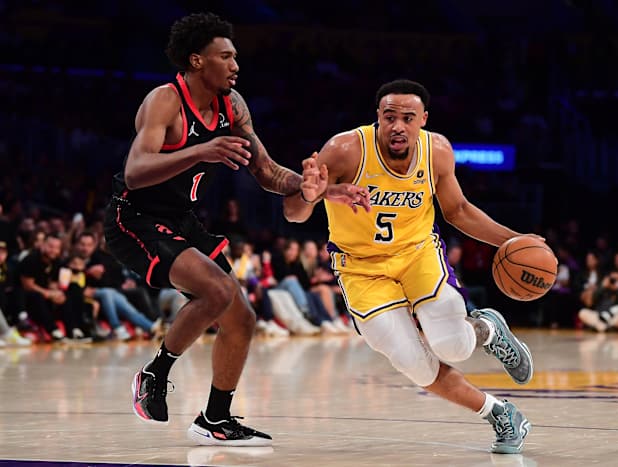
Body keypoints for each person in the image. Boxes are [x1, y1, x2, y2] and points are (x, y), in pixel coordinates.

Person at [103, 12, 368, 447]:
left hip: (182, 220)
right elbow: (135, 171)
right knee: (219, 291)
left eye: (235, 56)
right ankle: (155, 373)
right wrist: (201, 150)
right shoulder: (164, 101)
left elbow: (265, 172)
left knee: (242, 319)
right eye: (225, 56)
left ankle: (215, 419)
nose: (235, 64)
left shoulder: (233, 106)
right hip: (134, 217)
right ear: (196, 60)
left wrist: (316, 188)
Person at [285, 79, 536, 454]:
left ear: (423, 120)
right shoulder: (344, 150)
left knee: (453, 346)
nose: (398, 125)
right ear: (378, 119)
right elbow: (294, 213)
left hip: (417, 255)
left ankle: (487, 330)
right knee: (415, 366)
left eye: (407, 117)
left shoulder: (436, 151)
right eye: (389, 117)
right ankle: (499, 412)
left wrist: (515, 241)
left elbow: (459, 211)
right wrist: (307, 196)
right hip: (360, 268)